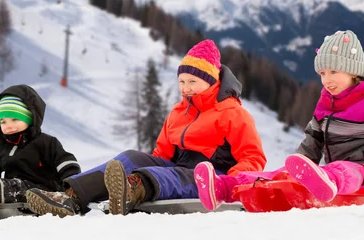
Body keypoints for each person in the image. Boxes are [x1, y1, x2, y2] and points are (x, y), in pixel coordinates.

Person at [26, 39, 266, 217]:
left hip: (212, 177)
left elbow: (253, 157)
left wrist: (230, 185)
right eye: (182, 82)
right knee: (132, 157)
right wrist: (144, 163)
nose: (186, 88)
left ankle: (131, 191)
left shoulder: (233, 113)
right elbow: (162, 155)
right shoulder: (178, 112)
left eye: (193, 82)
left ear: (212, 81)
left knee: (173, 174)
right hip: (179, 168)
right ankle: (70, 197)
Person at [194, 30, 364, 210]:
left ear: (353, 72)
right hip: (331, 173)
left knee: (346, 170)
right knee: (279, 173)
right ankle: (225, 187)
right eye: (322, 74)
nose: (326, 80)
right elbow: (311, 145)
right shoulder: (326, 104)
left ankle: (326, 180)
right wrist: (292, 173)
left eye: (333, 72)